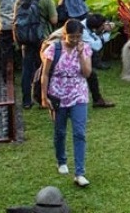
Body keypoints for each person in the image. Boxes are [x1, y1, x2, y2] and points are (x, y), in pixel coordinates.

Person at [40, 20, 93, 188]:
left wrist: (80, 55)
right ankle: (61, 160)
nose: (76, 40)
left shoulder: (84, 48)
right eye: (72, 37)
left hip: (78, 94)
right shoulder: (53, 49)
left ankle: (80, 172)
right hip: (58, 94)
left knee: (79, 132)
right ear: (65, 35)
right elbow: (45, 74)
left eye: (79, 37)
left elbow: (87, 73)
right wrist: (44, 96)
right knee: (60, 131)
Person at [16, 0, 58, 109]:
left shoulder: (20, 0)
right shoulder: (46, 0)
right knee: (44, 70)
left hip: (26, 39)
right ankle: (42, 99)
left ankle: (27, 101)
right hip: (43, 39)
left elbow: (15, 21)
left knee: (27, 70)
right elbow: (54, 20)